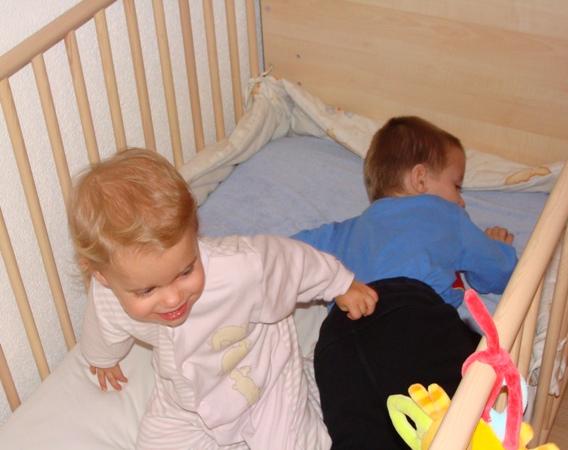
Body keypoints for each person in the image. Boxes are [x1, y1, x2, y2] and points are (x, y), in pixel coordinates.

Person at [69, 148, 378, 450]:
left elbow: (291, 263)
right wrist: (102, 358)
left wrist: (339, 284)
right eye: (148, 290)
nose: (173, 298)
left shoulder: (238, 268)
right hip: (186, 400)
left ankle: (307, 381)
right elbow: (102, 325)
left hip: (263, 379)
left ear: (194, 232)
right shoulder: (109, 295)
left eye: (185, 271)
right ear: (102, 276)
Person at [292, 116, 518, 449]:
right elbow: (499, 273)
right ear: (420, 179)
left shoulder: (344, 231)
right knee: (464, 403)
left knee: (360, 435)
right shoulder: (446, 216)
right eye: (456, 186)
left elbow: (287, 257)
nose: (461, 201)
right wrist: (499, 246)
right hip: (410, 316)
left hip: (338, 337)